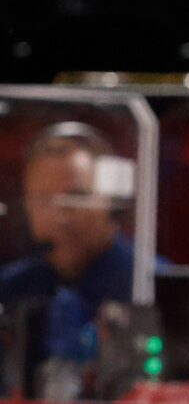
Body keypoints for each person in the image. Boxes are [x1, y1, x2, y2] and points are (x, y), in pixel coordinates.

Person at [0, 124, 144, 387]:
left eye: (76, 197)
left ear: (110, 201)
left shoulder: (151, 287)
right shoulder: (9, 290)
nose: (60, 217)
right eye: (43, 200)